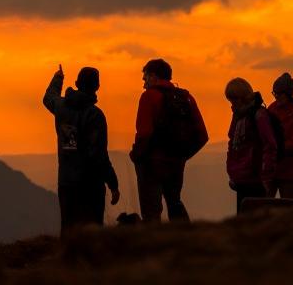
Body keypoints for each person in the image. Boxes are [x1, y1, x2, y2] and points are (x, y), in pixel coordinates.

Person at [43, 64, 120, 234]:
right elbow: (99, 155)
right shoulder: (95, 115)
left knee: (68, 229)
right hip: (90, 184)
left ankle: (68, 259)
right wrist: (113, 184)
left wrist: (58, 78)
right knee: (92, 232)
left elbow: (49, 97)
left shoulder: (61, 107)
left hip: (66, 181)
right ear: (97, 87)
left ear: (77, 83)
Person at [129, 58, 208, 223]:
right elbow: (202, 135)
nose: (144, 84)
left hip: (151, 164)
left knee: (152, 212)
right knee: (174, 203)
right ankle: (184, 242)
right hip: (176, 163)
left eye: (145, 78)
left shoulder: (148, 97)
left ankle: (156, 246)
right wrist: (183, 155)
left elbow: (144, 133)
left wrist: (136, 156)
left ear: (153, 76)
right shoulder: (186, 98)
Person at [224, 77, 278, 214]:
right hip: (241, 177)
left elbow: (269, 144)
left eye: (233, 100)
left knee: (253, 218)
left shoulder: (259, 115)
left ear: (242, 98)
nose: (232, 104)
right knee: (244, 217)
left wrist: (266, 175)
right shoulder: (238, 116)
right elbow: (232, 142)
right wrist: (231, 171)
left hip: (255, 177)